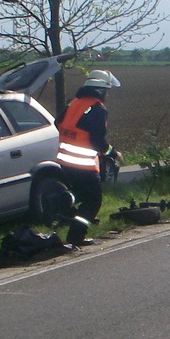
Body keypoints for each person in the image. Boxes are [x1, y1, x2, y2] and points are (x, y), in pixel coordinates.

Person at [55, 69, 124, 247]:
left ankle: (63, 210)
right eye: (107, 91)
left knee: (79, 195)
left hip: (65, 161)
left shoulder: (74, 103)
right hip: (83, 164)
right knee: (93, 201)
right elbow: (97, 141)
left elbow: (58, 122)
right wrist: (114, 153)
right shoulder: (97, 109)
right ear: (101, 90)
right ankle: (76, 236)